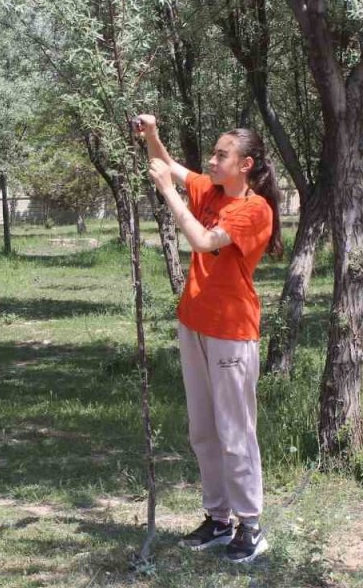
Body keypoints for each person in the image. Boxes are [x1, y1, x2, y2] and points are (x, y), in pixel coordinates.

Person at [134, 113, 283, 564]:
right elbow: (168, 164)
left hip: (231, 332)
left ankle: (250, 525)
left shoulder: (254, 210)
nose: (212, 161)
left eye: (221, 155)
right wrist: (153, 135)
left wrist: (166, 191)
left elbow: (201, 240)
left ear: (245, 165)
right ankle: (218, 519)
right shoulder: (211, 190)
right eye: (214, 154)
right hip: (194, 323)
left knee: (235, 431)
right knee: (203, 428)